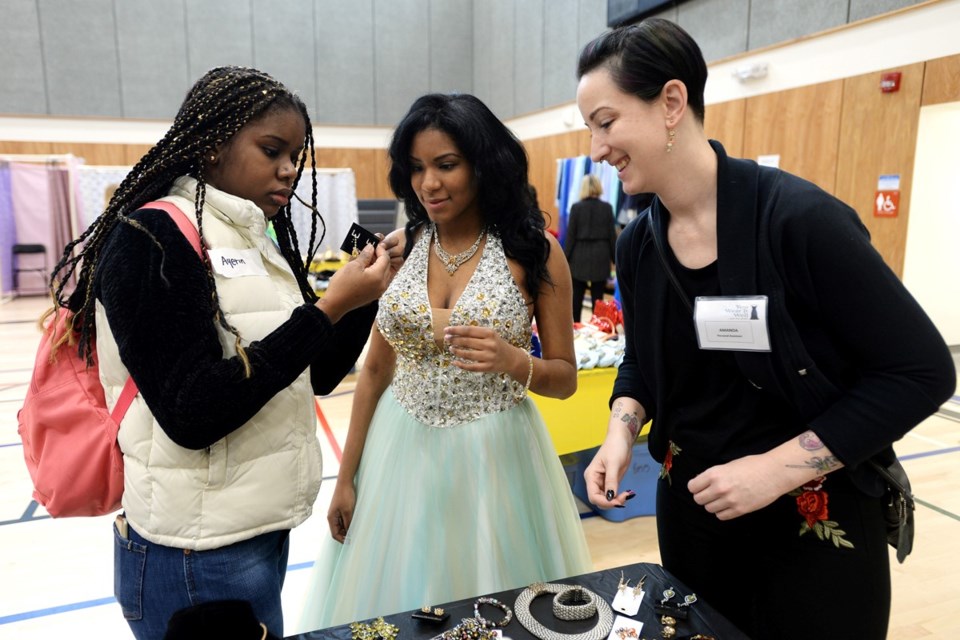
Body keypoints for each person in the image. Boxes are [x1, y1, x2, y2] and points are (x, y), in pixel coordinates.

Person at [575, 19, 955, 640]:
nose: (596, 146)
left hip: (813, 526)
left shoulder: (801, 221)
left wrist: (776, 469)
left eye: (607, 121)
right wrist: (620, 432)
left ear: (672, 103)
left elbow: (921, 371)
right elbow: (642, 361)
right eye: (590, 125)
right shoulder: (637, 246)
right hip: (694, 519)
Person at [47, 66, 398, 640]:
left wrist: (361, 300)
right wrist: (328, 309)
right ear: (211, 146)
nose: (289, 168)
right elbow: (192, 412)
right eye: (271, 150)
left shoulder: (256, 238)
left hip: (257, 529)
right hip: (194, 552)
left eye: (295, 154)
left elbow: (316, 375)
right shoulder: (151, 239)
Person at [297, 93, 592, 630]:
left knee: (499, 603)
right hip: (399, 451)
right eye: (416, 168)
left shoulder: (535, 251)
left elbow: (567, 379)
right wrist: (347, 476)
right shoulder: (404, 246)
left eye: (446, 165)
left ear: (484, 164)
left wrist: (512, 360)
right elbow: (377, 372)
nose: (428, 184)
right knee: (398, 604)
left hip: (497, 456)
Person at [564, 173, 617, 321]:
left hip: (579, 256)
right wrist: (616, 260)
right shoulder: (607, 208)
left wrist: (565, 259)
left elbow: (570, 237)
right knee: (598, 300)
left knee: (576, 299)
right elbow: (612, 236)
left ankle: (575, 329)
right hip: (601, 255)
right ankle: (598, 328)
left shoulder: (576, 208)